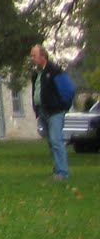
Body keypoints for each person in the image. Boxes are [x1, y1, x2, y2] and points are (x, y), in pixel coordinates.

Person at [31, 42, 76, 182]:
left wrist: (63, 106)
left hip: (55, 112)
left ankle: (63, 172)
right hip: (43, 111)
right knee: (51, 141)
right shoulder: (36, 74)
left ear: (43, 56)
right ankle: (57, 169)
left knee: (56, 140)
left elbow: (69, 90)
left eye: (34, 55)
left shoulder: (55, 71)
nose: (32, 58)